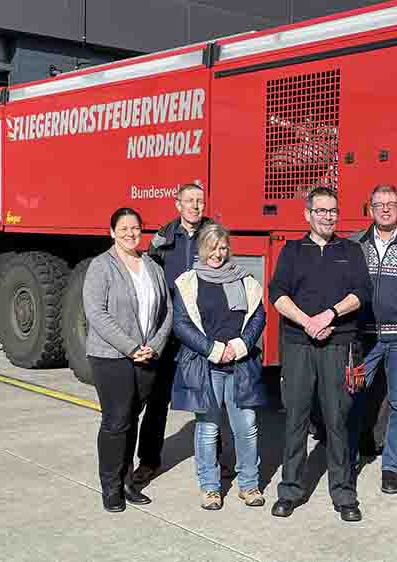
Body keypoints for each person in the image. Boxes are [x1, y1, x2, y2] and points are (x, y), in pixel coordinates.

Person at [268, 186, 372, 522]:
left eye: (332, 211)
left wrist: (329, 315)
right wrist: (307, 322)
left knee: (337, 419)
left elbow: (361, 293)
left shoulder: (351, 250)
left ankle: (343, 492)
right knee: (296, 417)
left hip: (338, 344)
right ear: (307, 215)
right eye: (321, 211)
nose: (327, 216)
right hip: (299, 345)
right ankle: (290, 489)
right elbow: (277, 294)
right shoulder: (292, 251)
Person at [170, 224, 268, 510]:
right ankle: (210, 487)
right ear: (202, 249)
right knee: (208, 427)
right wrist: (213, 350)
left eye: (223, 248)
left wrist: (239, 346)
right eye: (212, 248)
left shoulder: (244, 279)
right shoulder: (188, 282)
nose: (218, 254)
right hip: (206, 364)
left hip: (240, 363)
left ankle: (249, 485)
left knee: (246, 427)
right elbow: (181, 324)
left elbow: (258, 317)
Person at [83, 207, 173, 512]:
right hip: (111, 357)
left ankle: (126, 482)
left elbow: (167, 312)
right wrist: (131, 347)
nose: (130, 233)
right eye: (123, 229)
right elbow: (96, 313)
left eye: (135, 228)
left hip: (147, 356)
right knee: (116, 420)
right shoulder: (101, 266)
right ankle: (110, 488)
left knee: (132, 419)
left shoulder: (152, 266)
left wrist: (155, 346)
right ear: (112, 232)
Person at [133, 183, 218, 489]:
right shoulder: (163, 236)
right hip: (168, 330)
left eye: (200, 201)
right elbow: (150, 282)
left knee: (208, 399)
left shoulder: (214, 234)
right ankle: (148, 461)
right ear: (178, 203)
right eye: (190, 201)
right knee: (157, 399)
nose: (195, 206)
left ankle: (215, 461)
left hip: (201, 331)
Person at [346, 184, 397, 494]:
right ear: (369, 209)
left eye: (391, 204)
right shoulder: (355, 244)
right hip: (363, 338)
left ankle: (390, 468)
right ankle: (349, 460)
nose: (385, 209)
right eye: (379, 204)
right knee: (351, 396)